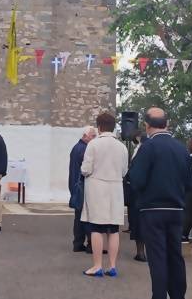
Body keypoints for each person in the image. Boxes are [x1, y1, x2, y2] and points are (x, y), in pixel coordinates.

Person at [128, 108, 192, 299]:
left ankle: (158, 295)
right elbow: (190, 183)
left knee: (157, 257)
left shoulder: (147, 147)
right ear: (167, 124)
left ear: (146, 126)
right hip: (176, 209)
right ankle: (178, 295)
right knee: (175, 255)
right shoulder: (181, 148)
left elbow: (137, 180)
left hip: (152, 209)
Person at [79, 113, 127, 277]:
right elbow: (124, 171)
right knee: (113, 229)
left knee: (96, 227)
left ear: (99, 127)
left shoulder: (93, 144)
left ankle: (97, 265)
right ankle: (112, 266)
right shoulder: (122, 147)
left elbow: (86, 169)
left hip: (97, 188)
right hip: (115, 189)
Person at [69, 126, 96, 252]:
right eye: (92, 136)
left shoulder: (77, 147)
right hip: (82, 186)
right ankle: (91, 244)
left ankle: (78, 243)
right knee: (87, 216)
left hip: (76, 184)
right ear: (85, 136)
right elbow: (87, 169)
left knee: (79, 216)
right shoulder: (84, 149)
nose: (94, 139)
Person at [126, 130, 148, 262]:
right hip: (144, 190)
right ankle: (141, 252)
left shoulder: (142, 149)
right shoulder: (143, 148)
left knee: (139, 221)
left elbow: (135, 170)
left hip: (139, 191)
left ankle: (141, 252)